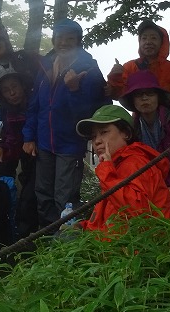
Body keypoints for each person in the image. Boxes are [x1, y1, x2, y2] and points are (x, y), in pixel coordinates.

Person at [22, 19, 109, 225]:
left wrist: (74, 89)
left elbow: (90, 114)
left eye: (70, 39)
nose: (64, 43)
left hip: (70, 144)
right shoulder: (45, 66)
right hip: (44, 142)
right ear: (53, 40)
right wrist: (29, 136)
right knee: (43, 193)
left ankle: (66, 239)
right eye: (60, 38)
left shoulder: (89, 70)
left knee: (66, 198)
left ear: (78, 41)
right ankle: (48, 236)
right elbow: (35, 105)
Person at [74, 105, 170, 231]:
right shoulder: (115, 165)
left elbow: (137, 213)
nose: (97, 141)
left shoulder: (135, 163)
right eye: (93, 136)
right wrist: (83, 226)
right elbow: (110, 218)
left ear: (126, 134)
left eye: (104, 132)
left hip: (147, 242)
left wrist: (106, 173)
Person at [119, 70, 170, 203]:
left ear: (158, 96)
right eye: (138, 94)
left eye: (150, 93)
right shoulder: (132, 131)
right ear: (132, 101)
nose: (145, 98)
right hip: (152, 192)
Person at [0, 69, 39, 235]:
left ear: (22, 86)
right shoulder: (7, 110)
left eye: (14, 87)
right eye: (6, 90)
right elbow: (7, 133)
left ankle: (26, 238)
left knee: (29, 197)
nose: (12, 93)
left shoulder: (35, 103)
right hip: (15, 152)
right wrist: (0, 147)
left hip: (37, 154)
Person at [106, 20, 170, 103]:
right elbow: (119, 95)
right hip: (138, 111)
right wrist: (116, 78)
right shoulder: (129, 67)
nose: (148, 42)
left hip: (169, 111)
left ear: (162, 43)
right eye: (144, 38)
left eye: (153, 38)